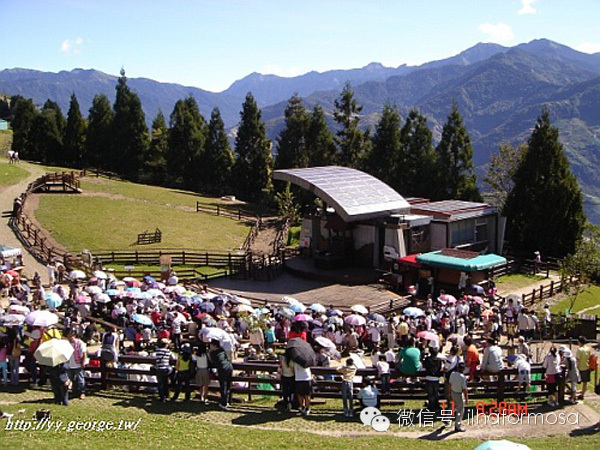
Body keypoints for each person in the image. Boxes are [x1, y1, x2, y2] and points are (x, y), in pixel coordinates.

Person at [209, 339, 233, 410]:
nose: (210, 346)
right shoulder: (222, 350)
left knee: (223, 386)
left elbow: (212, 362)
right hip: (229, 367)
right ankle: (227, 401)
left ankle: (223, 403)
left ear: (214, 345)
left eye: (211, 345)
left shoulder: (213, 353)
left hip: (222, 369)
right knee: (228, 385)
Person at [65, 329, 87, 400]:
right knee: (72, 379)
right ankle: (74, 392)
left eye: (70, 336)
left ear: (74, 336)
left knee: (80, 379)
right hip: (69, 364)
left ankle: (82, 392)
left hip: (78, 364)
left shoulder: (80, 343)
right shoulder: (67, 343)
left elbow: (84, 353)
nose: (69, 338)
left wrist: (83, 362)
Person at [448, 361, 468, 432]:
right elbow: (464, 389)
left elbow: (450, 384)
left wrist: (449, 393)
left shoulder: (452, 374)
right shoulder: (463, 377)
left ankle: (447, 418)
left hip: (453, 392)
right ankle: (458, 426)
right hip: (459, 394)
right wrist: (466, 398)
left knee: (453, 406)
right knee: (460, 410)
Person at [422, 347, 443, 412]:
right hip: (436, 379)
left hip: (428, 378)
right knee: (436, 393)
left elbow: (424, 366)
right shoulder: (439, 360)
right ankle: (436, 406)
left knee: (430, 394)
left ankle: (431, 406)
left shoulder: (427, 359)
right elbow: (439, 368)